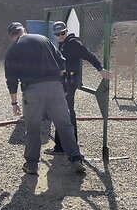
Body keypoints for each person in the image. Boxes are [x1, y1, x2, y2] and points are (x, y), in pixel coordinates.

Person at [4, 21, 85, 174]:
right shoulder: (43, 39)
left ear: (11, 37)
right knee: (64, 124)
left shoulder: (12, 50)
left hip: (32, 90)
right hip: (55, 87)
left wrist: (14, 103)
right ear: (24, 30)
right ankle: (75, 158)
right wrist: (63, 84)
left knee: (33, 128)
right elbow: (61, 62)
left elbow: (12, 81)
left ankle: (32, 165)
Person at [44, 21, 113, 155]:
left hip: (69, 82)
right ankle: (68, 144)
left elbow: (88, 55)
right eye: (57, 34)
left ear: (66, 31)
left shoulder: (73, 43)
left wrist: (100, 69)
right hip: (66, 81)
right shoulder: (63, 43)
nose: (60, 36)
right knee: (66, 112)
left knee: (64, 112)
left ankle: (63, 146)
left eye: (62, 33)